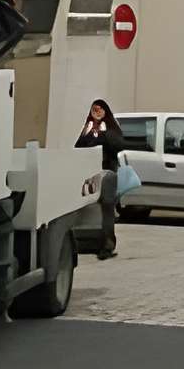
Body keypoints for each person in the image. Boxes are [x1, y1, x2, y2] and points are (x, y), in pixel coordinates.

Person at [77, 97, 126, 260]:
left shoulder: (111, 126)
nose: (97, 113)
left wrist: (102, 136)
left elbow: (118, 144)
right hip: (87, 175)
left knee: (106, 209)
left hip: (107, 174)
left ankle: (107, 245)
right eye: (94, 110)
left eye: (100, 110)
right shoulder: (85, 127)